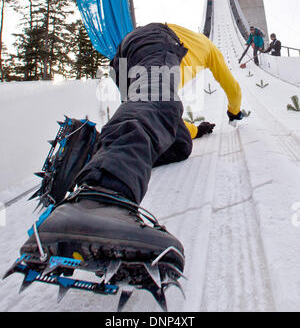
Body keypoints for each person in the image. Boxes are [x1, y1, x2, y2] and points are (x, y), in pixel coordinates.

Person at [21, 23, 243, 279]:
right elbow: (232, 88)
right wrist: (234, 112)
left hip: (124, 58)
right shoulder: (209, 49)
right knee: (158, 102)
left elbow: (155, 114)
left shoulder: (182, 55)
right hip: (158, 41)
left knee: (179, 143)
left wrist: (196, 129)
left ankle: (89, 152)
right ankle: (101, 196)